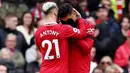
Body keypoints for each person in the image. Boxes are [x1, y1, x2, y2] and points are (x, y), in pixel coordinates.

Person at [35, 2, 87, 73]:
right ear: (55, 12)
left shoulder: (38, 32)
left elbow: (41, 50)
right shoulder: (64, 29)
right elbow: (82, 33)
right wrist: (80, 18)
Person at [58, 3, 95, 73]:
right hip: (64, 69)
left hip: (81, 70)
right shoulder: (59, 27)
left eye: (69, 21)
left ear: (75, 13)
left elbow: (87, 49)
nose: (67, 24)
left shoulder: (88, 24)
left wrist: (73, 35)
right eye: (64, 22)